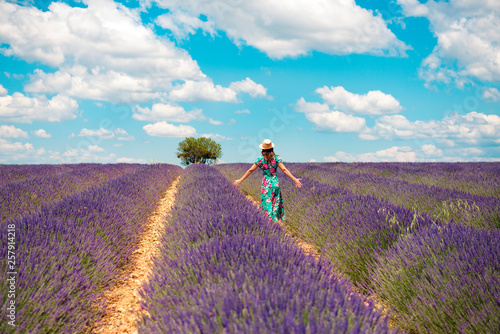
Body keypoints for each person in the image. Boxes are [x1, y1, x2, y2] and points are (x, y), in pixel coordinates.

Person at [233, 139, 302, 222]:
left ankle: (268, 222)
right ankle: (275, 220)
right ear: (272, 149)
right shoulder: (276, 158)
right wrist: (294, 179)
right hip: (275, 183)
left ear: (263, 149)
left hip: (266, 184)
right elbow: (284, 169)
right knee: (275, 202)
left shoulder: (260, 159)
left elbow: (250, 170)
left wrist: (240, 180)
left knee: (267, 203)